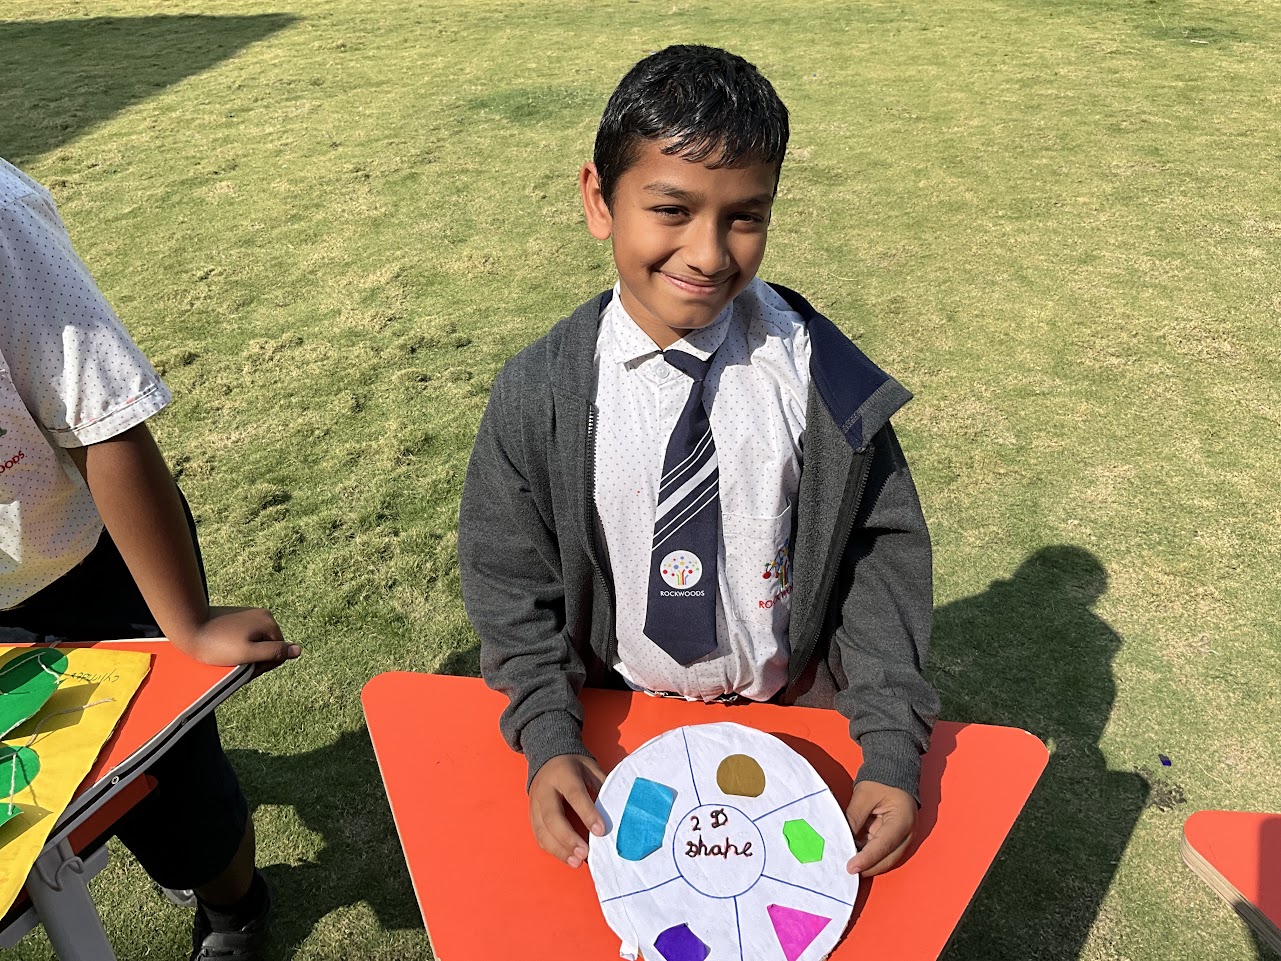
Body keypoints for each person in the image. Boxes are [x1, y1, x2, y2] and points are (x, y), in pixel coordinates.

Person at [458, 44, 939, 881]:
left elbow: (879, 559)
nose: (709, 253)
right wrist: (547, 735)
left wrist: (890, 744)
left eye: (744, 216)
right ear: (599, 200)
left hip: (797, 725)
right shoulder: (538, 395)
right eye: (671, 210)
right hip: (616, 728)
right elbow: (509, 584)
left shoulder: (820, 374)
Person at [0, 157, 300, 961]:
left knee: (177, 795)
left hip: (94, 570)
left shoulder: (1, 222)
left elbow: (102, 419)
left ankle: (235, 909)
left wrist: (188, 622)